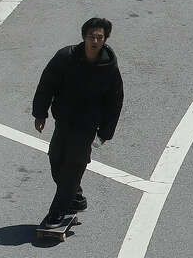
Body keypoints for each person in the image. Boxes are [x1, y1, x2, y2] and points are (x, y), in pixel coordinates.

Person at [32, 17, 124, 230]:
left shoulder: (109, 68)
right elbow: (47, 83)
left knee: (73, 167)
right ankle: (76, 198)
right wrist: (40, 113)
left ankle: (57, 213)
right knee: (56, 160)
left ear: (104, 39)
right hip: (63, 121)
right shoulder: (66, 57)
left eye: (99, 37)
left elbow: (115, 100)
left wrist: (105, 132)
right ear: (84, 37)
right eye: (91, 36)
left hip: (86, 127)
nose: (95, 40)